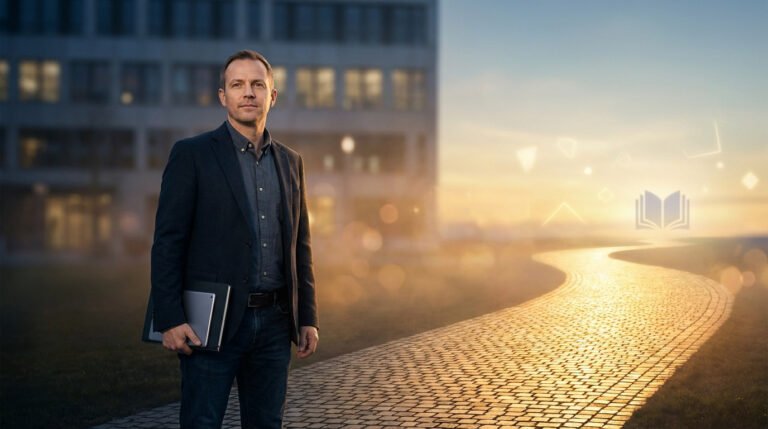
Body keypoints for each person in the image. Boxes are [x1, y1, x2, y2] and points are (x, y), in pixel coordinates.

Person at [150, 50, 319, 429]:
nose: (248, 93)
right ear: (222, 96)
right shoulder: (191, 155)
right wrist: (170, 319)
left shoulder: (291, 162)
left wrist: (307, 316)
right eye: (237, 85)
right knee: (202, 422)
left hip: (275, 325)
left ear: (272, 96)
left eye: (257, 84)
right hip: (210, 324)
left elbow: (300, 246)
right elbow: (167, 242)